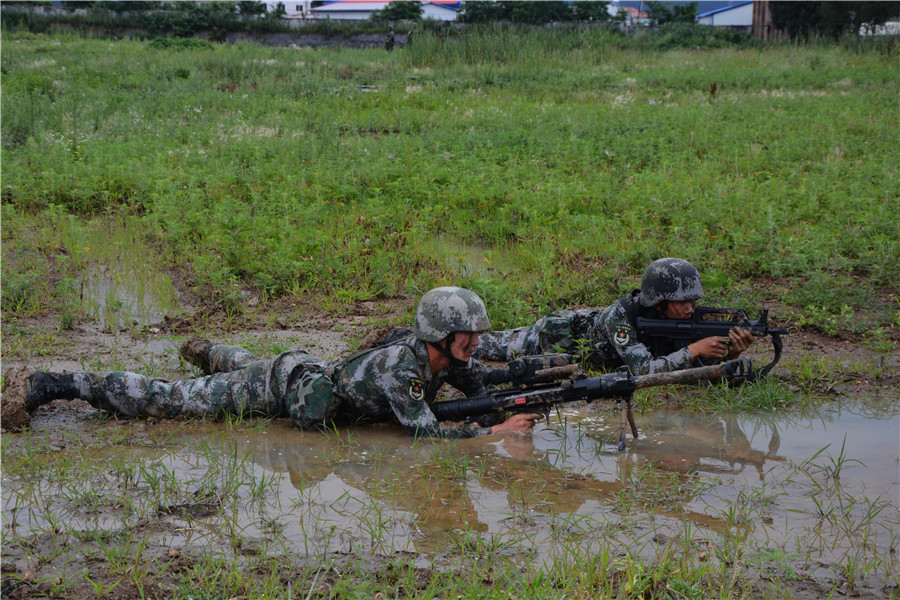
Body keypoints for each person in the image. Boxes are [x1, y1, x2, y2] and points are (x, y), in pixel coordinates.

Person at [3, 287, 542, 438]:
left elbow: (479, 390)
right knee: (176, 401)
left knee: (248, 367)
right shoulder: (400, 371)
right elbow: (425, 435)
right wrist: (496, 434)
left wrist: (516, 396)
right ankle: (61, 382)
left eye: (476, 334)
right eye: (467, 335)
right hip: (285, 387)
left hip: (303, 373)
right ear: (439, 335)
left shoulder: (446, 359)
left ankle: (212, 353)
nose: (476, 343)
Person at [475, 258, 754, 376]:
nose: (690, 308)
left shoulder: (676, 316)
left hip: (587, 337)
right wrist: (693, 350)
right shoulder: (620, 317)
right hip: (559, 335)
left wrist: (727, 355)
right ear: (659, 302)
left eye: (693, 301)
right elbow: (643, 370)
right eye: (683, 302)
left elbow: (688, 364)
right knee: (484, 345)